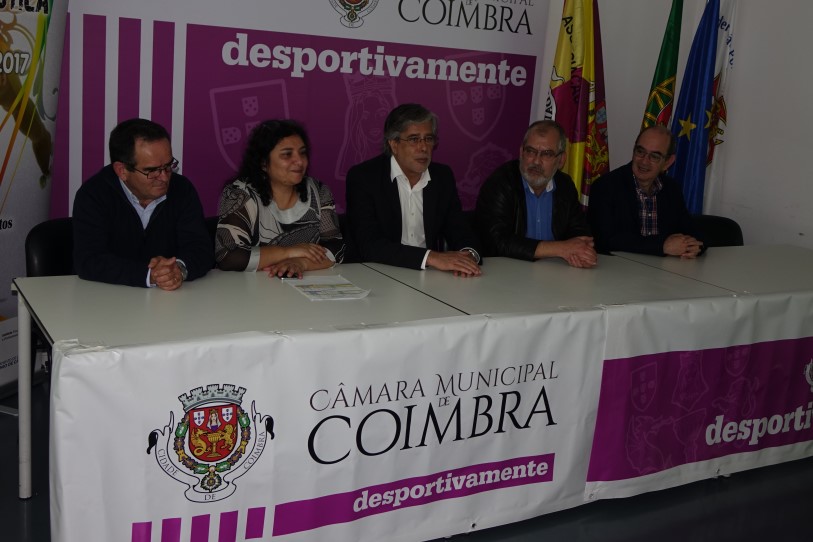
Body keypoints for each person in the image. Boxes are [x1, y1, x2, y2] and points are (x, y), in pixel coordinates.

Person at [73, 118, 212, 290]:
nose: (164, 177)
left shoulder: (182, 189)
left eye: (168, 166)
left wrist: (179, 269)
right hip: (109, 298)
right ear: (122, 171)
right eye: (152, 170)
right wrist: (149, 275)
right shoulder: (93, 195)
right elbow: (89, 260)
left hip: (171, 300)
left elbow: (201, 248)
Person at [345, 103, 482, 276]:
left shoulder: (442, 177)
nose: (423, 148)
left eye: (428, 139)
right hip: (378, 275)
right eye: (414, 139)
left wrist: (468, 254)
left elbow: (459, 229)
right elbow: (369, 245)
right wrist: (430, 257)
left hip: (428, 276)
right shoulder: (364, 177)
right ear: (394, 144)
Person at [215, 120, 344, 278]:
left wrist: (300, 262)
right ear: (263, 163)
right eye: (287, 154)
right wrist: (288, 252)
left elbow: (336, 248)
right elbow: (228, 257)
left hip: (304, 285)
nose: (299, 161)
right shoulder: (240, 194)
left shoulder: (319, 190)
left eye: (302, 153)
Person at [475, 119, 597, 268]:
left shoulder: (565, 185)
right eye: (530, 151)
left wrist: (580, 251)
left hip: (554, 271)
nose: (536, 161)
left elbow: (580, 234)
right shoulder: (500, 183)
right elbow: (496, 242)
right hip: (508, 272)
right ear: (521, 152)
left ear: (561, 160)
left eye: (547, 154)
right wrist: (561, 249)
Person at [589, 125, 703, 258]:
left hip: (663, 268)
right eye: (640, 151)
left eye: (654, 156)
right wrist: (662, 246)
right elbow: (604, 240)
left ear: (668, 162)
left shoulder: (672, 189)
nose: (644, 161)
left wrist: (695, 247)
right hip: (620, 267)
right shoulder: (605, 186)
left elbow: (694, 233)